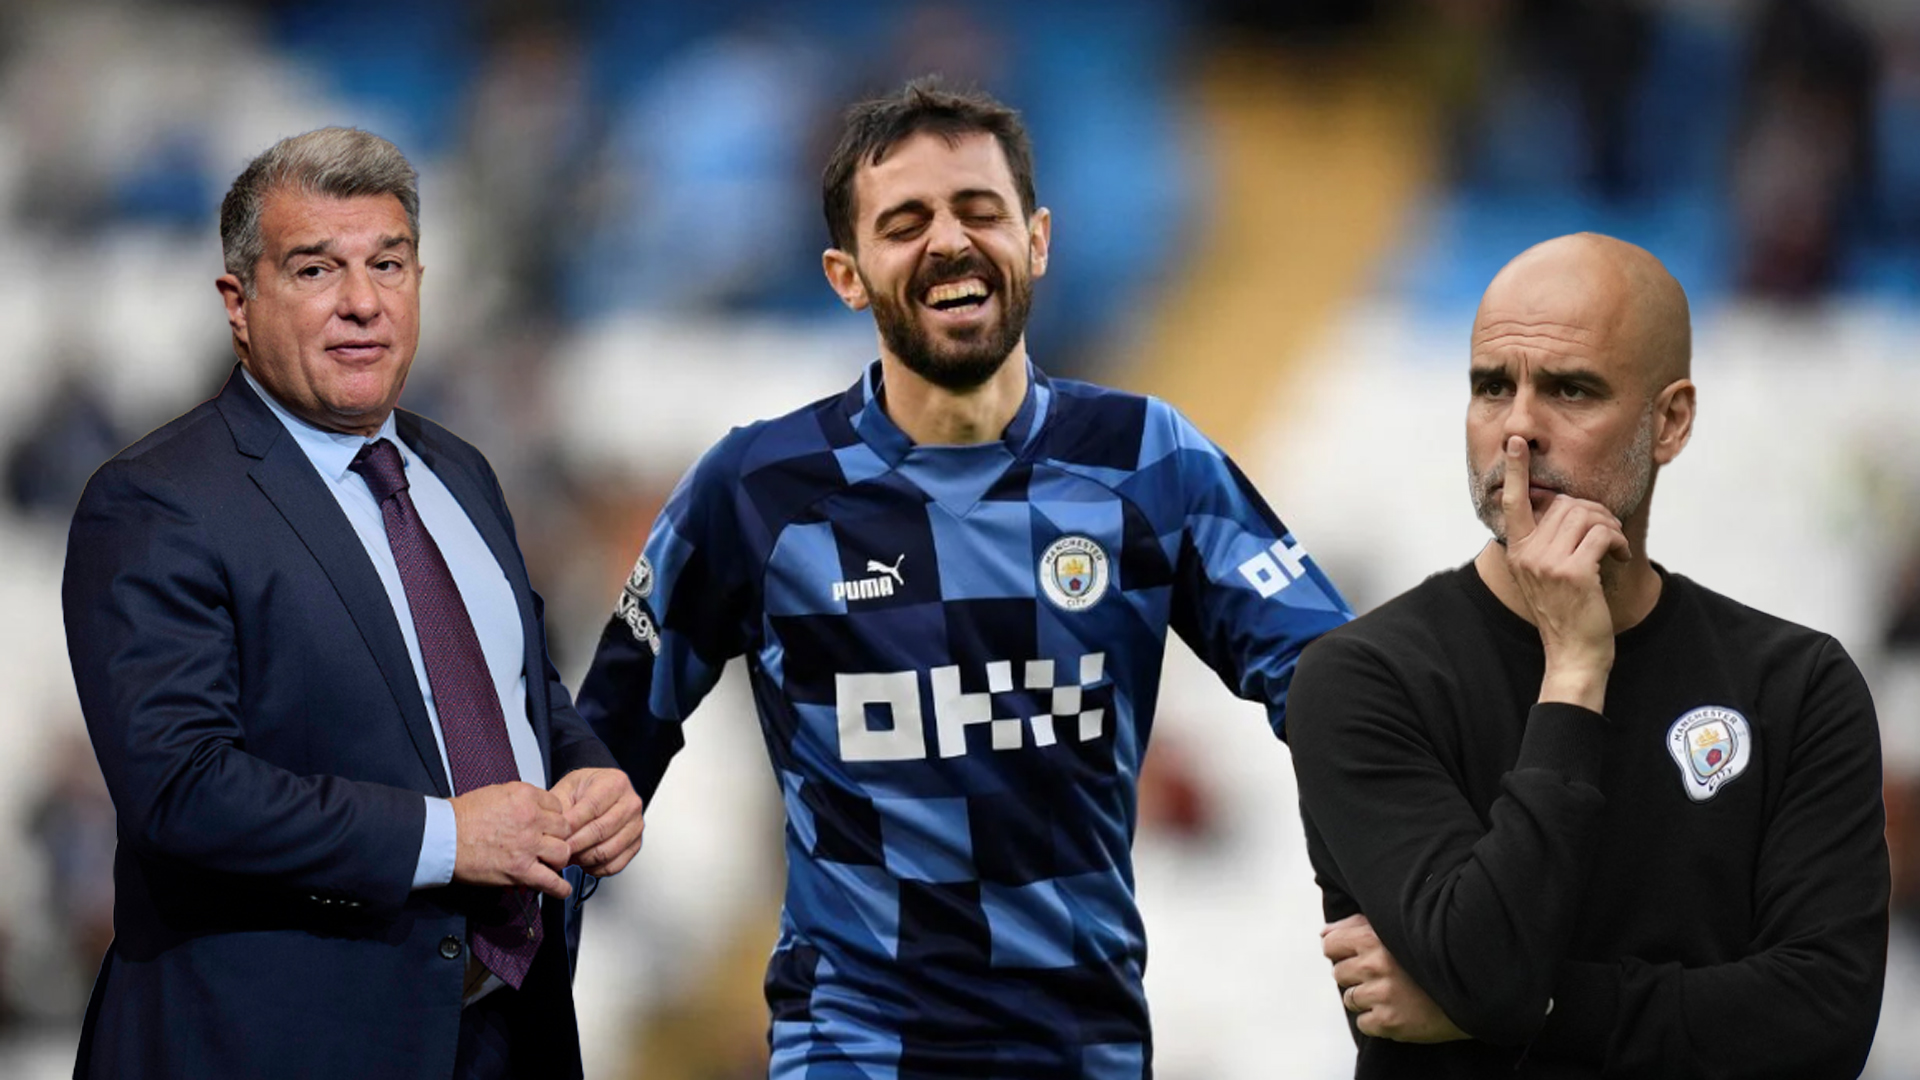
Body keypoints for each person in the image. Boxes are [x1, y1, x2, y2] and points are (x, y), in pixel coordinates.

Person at [574, 79, 1352, 1077]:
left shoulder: (1146, 459)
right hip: (853, 1053)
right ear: (846, 275)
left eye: (979, 211)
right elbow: (600, 754)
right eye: (905, 222)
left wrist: (1414, 900)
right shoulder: (757, 491)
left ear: (1036, 240)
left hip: (1082, 1053)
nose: (949, 240)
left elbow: (1337, 685)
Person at [61, 127, 645, 1079]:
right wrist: (448, 837)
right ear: (238, 303)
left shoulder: (460, 471)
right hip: (272, 1044)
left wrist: (589, 777)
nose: (362, 302)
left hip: (504, 1030)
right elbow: (182, 790)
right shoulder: (157, 500)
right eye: (314, 269)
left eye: (388, 262)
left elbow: (523, 688)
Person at [1287, 233, 1888, 1077]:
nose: (1519, 428)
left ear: (1669, 421)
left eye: (1571, 390)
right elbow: (1489, 971)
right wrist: (1573, 674)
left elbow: (1826, 1021)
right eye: (1492, 387)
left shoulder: (1798, 686)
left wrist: (1537, 1009)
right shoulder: (1364, 679)